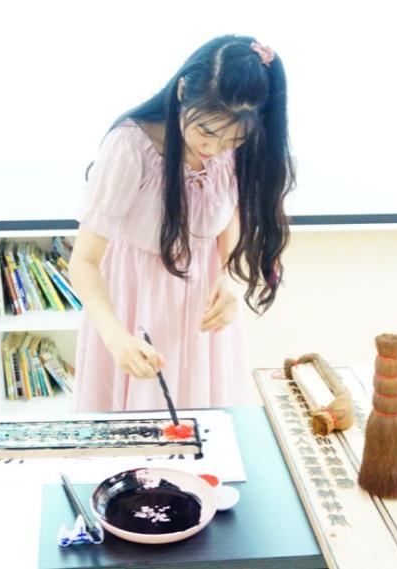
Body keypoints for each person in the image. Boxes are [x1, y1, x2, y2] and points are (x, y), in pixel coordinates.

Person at [70, 34, 294, 412]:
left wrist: (227, 276)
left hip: (203, 318)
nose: (213, 149)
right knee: (141, 427)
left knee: (209, 426)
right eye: (206, 132)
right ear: (182, 92)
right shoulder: (130, 147)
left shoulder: (233, 150)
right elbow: (84, 261)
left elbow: (227, 212)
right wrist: (116, 338)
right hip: (134, 308)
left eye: (232, 140)